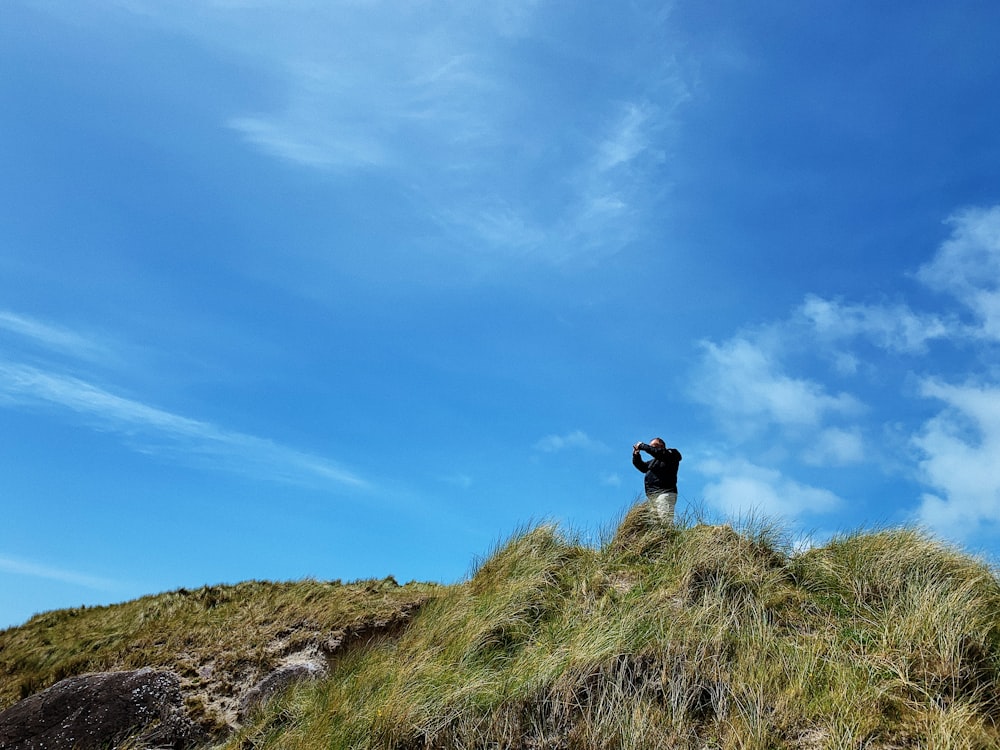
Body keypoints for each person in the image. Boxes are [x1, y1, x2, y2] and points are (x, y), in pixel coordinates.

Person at [632, 438, 682, 525]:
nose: (650, 448)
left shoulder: (672, 454)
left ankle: (668, 538)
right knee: (655, 525)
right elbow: (642, 467)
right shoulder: (653, 462)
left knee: (665, 522)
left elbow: (659, 453)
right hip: (652, 496)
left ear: (661, 446)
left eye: (653, 446)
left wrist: (643, 446)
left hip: (665, 494)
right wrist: (636, 455)